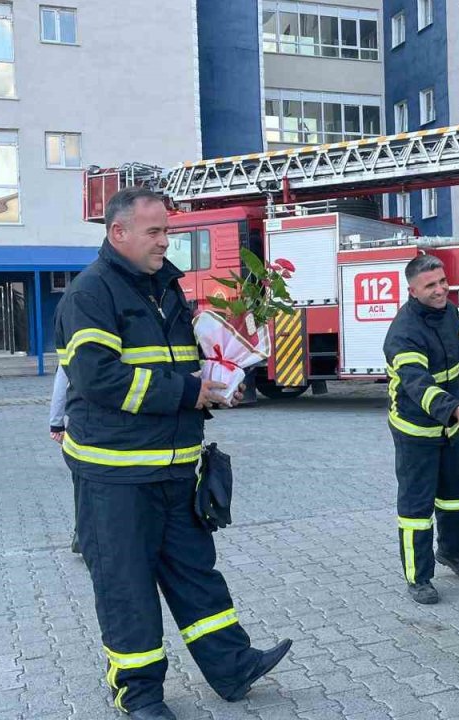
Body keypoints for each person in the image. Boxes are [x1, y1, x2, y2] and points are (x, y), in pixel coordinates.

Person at [55, 186, 291, 718]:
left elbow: (181, 367)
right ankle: (138, 696)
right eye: (155, 231)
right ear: (119, 233)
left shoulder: (166, 291)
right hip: (115, 478)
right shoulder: (90, 294)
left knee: (195, 572)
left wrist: (218, 381)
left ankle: (232, 666)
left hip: (175, 467)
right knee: (127, 588)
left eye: (168, 230)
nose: (167, 241)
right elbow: (98, 379)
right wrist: (188, 392)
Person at [383, 252, 459, 605]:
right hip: (416, 432)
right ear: (412, 290)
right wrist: (454, 409)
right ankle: (418, 577)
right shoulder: (403, 333)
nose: (441, 290)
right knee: (416, 508)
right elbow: (418, 384)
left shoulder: (451, 313)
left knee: (456, 496)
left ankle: (453, 553)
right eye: (431, 285)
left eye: (442, 281)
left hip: (450, 426)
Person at [47, 365, 79, 554]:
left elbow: (61, 385)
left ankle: (81, 536)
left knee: (83, 489)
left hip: (80, 430)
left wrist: (56, 424)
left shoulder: (72, 343)